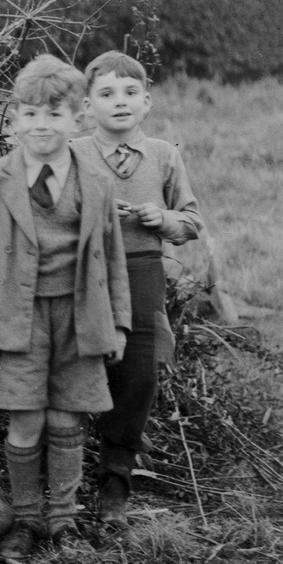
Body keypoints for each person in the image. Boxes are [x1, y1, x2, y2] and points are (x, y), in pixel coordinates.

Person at [0, 54, 130, 559]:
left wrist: (119, 322)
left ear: (78, 117)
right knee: (26, 419)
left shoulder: (98, 181)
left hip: (81, 320)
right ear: (14, 119)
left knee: (65, 420)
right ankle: (25, 519)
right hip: (19, 319)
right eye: (30, 115)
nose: (41, 126)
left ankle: (63, 518)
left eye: (54, 115)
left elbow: (115, 256)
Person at [72, 50, 202, 526]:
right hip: (84, 271)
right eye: (106, 94)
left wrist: (161, 218)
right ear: (87, 108)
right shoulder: (74, 152)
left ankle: (115, 480)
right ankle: (65, 471)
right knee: (82, 362)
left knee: (139, 370)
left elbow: (192, 221)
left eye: (130, 93)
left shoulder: (165, 155)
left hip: (143, 268)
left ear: (146, 102)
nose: (119, 103)